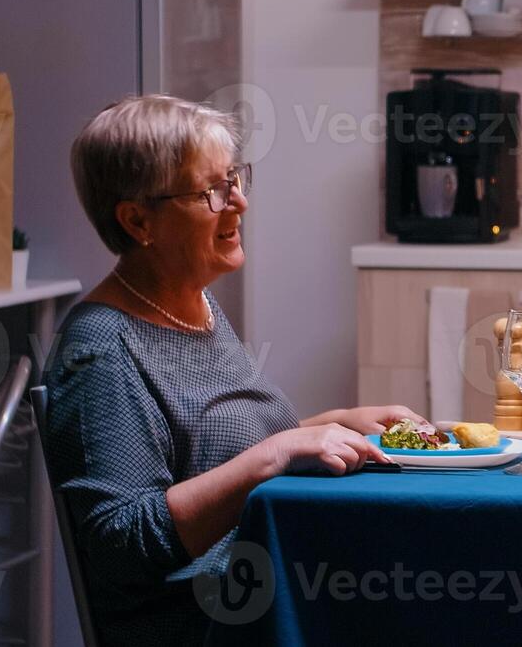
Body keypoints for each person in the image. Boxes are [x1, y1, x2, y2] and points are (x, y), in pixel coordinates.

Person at [42, 95, 427, 646]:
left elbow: (215, 456)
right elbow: (120, 547)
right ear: (137, 220)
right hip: (206, 624)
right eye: (211, 192)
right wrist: (276, 454)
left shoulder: (192, 306)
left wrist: (333, 423)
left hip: (264, 585)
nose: (239, 203)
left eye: (236, 180)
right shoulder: (104, 352)